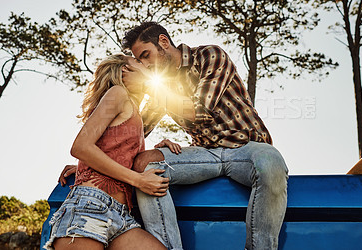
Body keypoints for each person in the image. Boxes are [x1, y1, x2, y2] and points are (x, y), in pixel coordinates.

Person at [121, 22, 289, 250]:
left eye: (146, 55)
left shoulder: (210, 55)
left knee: (270, 163)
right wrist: (89, 163)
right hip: (204, 154)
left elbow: (200, 109)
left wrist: (148, 87)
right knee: (148, 167)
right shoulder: (162, 87)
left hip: (246, 147)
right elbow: (135, 131)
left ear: (163, 42)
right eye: (141, 61)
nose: (147, 66)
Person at [44, 54, 182, 250]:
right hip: (90, 206)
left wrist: (159, 149)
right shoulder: (118, 93)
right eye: (139, 62)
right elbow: (81, 146)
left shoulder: (133, 110)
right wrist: (138, 180)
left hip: (121, 216)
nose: (146, 67)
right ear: (125, 70)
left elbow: (114, 151)